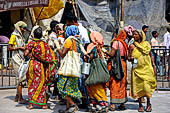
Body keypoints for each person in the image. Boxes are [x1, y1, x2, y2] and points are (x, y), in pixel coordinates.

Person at [24, 26, 56, 109]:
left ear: (34, 34)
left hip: (33, 65)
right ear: (41, 35)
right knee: (42, 84)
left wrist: (31, 54)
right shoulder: (45, 44)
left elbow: (25, 54)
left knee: (32, 83)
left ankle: (31, 105)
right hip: (42, 66)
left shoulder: (32, 43)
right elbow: (50, 56)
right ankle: (44, 104)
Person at [56, 25, 86, 113]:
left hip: (68, 68)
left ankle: (72, 104)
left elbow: (62, 54)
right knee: (70, 88)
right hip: (75, 68)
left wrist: (57, 46)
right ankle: (68, 108)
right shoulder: (77, 41)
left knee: (61, 87)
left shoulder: (69, 40)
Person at [128, 30, 157, 112]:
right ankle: (140, 105)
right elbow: (128, 57)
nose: (134, 36)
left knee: (147, 87)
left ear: (140, 35)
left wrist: (154, 65)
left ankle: (148, 103)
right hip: (137, 70)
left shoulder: (146, 45)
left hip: (147, 69)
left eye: (136, 34)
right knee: (139, 88)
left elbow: (150, 55)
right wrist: (131, 58)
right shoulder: (131, 46)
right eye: (133, 34)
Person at [103, 29, 128, 111]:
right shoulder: (125, 43)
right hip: (123, 64)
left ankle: (113, 105)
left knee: (114, 83)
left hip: (116, 65)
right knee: (122, 84)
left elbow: (111, 54)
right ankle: (122, 104)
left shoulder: (116, 43)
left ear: (117, 34)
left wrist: (104, 50)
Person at [86, 31, 108, 112]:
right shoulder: (100, 47)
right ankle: (102, 103)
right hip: (101, 70)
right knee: (100, 86)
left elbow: (90, 57)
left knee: (93, 85)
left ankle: (100, 103)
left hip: (94, 69)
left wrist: (86, 55)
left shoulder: (92, 47)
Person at [8, 21, 27, 104]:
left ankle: (17, 96)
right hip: (16, 58)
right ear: (20, 28)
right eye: (23, 28)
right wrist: (19, 47)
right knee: (20, 78)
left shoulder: (21, 36)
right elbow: (9, 47)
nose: (25, 30)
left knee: (20, 77)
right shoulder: (14, 36)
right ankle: (20, 98)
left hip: (21, 57)